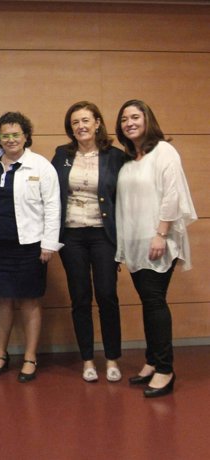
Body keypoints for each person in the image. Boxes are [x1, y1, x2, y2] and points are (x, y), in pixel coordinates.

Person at [115, 99, 196, 398]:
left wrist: (161, 233)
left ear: (148, 119)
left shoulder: (164, 151)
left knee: (155, 302)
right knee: (149, 303)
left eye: (135, 117)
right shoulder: (130, 160)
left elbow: (172, 195)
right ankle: (151, 362)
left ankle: (165, 369)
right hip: (136, 244)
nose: (129, 123)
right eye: (124, 119)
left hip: (158, 240)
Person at [0, 112, 61, 383]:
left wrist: (49, 243)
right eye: (5, 135)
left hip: (29, 245)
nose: (11, 139)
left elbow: (53, 206)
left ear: (26, 136)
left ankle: (29, 357)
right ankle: (1, 355)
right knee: (1, 300)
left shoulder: (40, 166)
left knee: (29, 300)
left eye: (16, 134)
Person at [52, 101, 125, 383]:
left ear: (97, 123)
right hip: (72, 236)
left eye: (85, 121)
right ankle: (87, 360)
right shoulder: (62, 154)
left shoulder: (114, 156)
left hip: (103, 235)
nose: (80, 127)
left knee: (107, 296)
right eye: (74, 123)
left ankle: (113, 359)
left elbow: (124, 197)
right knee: (80, 297)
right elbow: (49, 192)